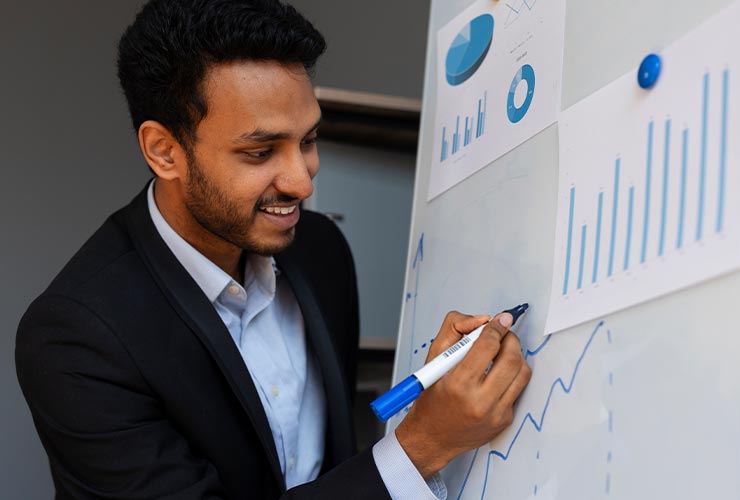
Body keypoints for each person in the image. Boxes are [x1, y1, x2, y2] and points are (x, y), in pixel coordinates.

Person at [15, 1, 532, 498]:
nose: (303, 184)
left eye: (308, 140)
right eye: (260, 152)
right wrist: (422, 444)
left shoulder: (320, 250)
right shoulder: (75, 338)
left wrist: (430, 415)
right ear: (164, 151)